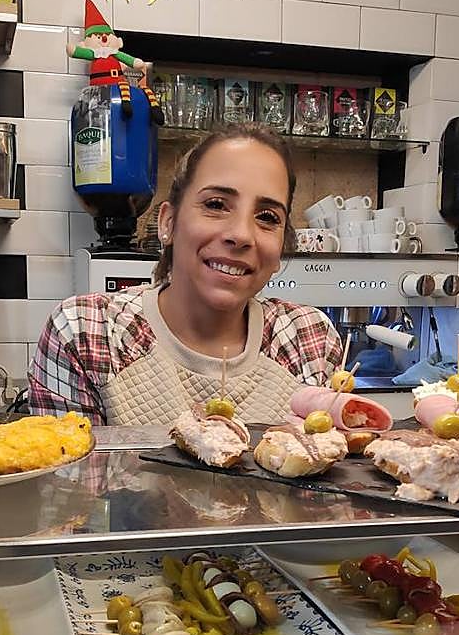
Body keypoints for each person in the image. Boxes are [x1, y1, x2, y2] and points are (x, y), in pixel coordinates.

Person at [29, 122, 342, 426]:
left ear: (281, 248)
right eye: (216, 204)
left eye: (267, 217)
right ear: (168, 222)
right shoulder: (85, 333)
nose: (242, 234)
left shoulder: (309, 338)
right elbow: (67, 476)